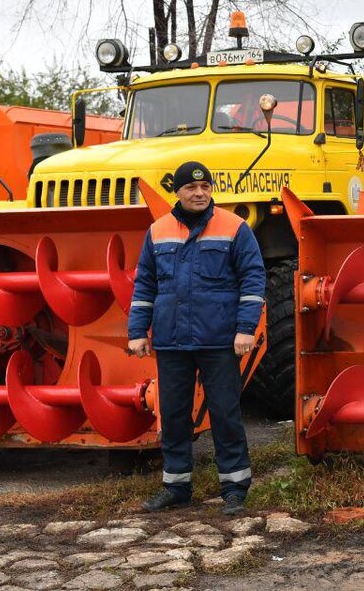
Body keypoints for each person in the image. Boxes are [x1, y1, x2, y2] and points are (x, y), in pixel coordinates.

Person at [127, 160, 266, 516]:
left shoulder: (234, 228)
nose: (200, 193)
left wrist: (245, 329)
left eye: (205, 187)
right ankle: (176, 488)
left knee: (224, 413)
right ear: (178, 191)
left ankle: (234, 489)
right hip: (172, 340)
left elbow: (253, 279)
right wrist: (137, 331)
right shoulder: (157, 231)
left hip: (219, 339)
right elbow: (145, 283)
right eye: (192, 187)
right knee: (173, 415)